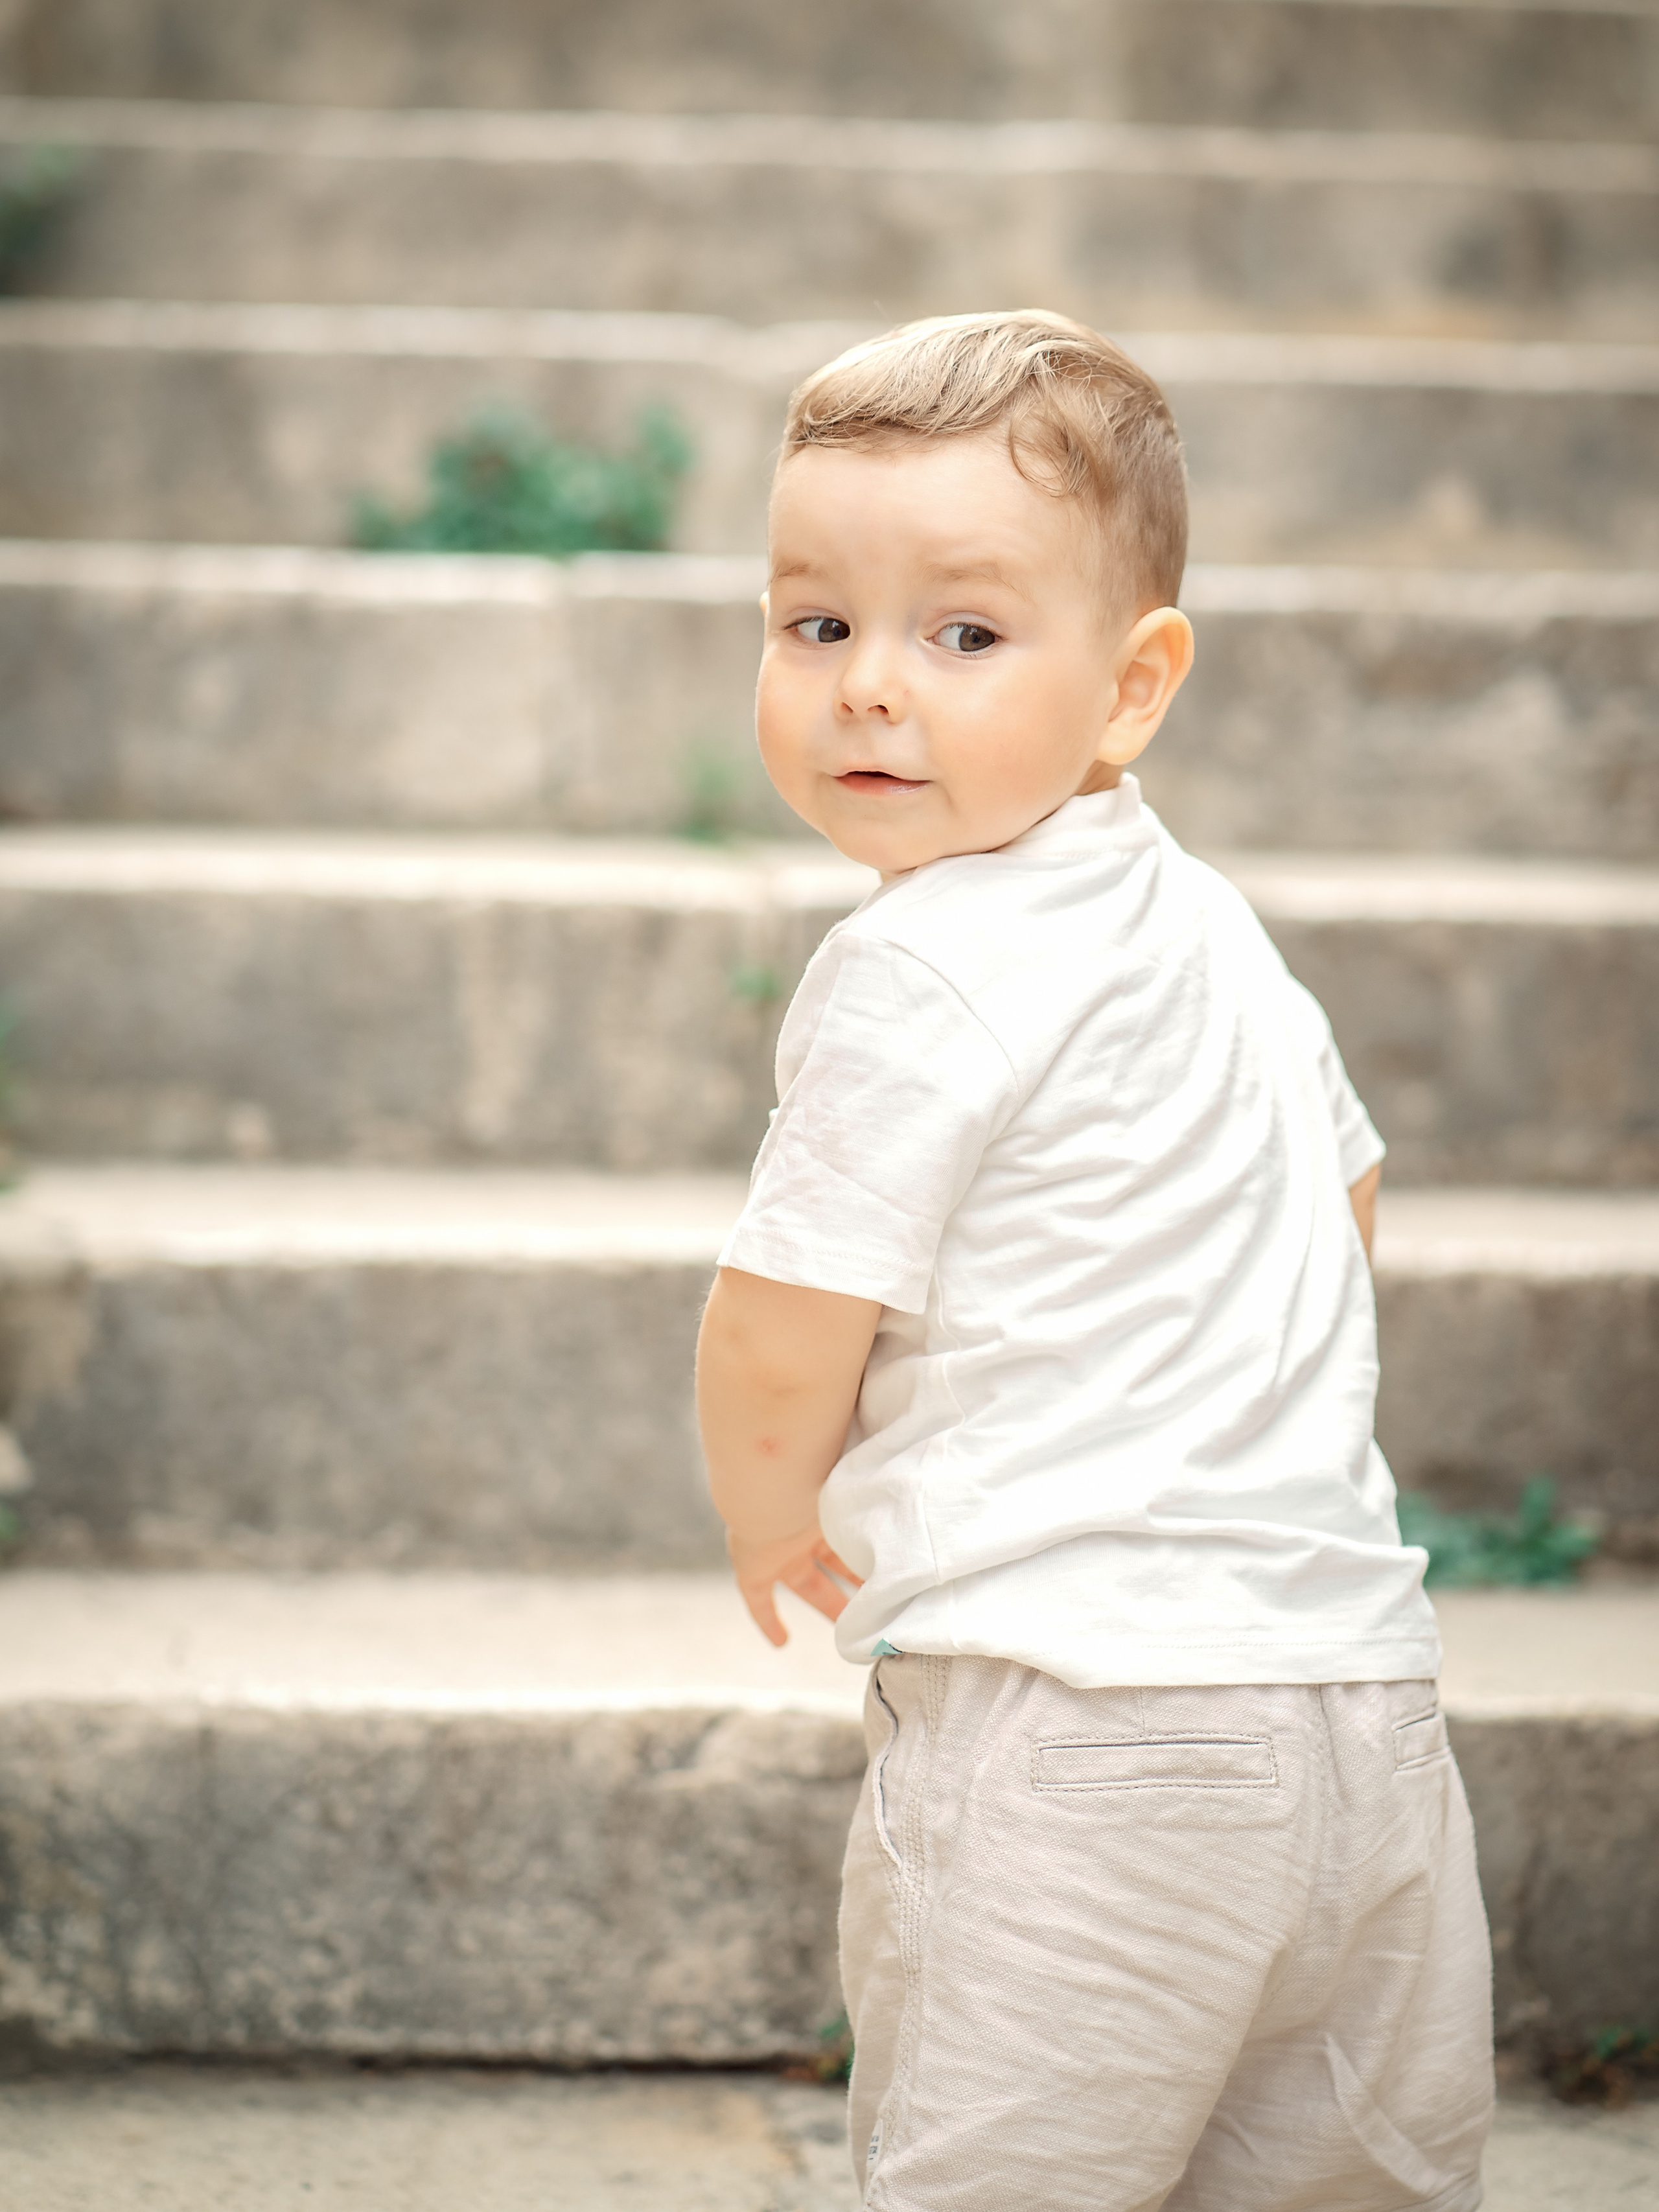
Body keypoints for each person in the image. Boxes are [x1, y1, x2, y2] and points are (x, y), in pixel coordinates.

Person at [695, 309, 1494, 2211]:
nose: (873, 688)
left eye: (962, 634)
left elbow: (784, 1316)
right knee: (1332, 2180)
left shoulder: (917, 963)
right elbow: (1345, 1202)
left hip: (1076, 1734)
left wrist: (770, 1515)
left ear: (1134, 688)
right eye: (819, 624)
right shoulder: (1209, 929)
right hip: (1361, 1718)